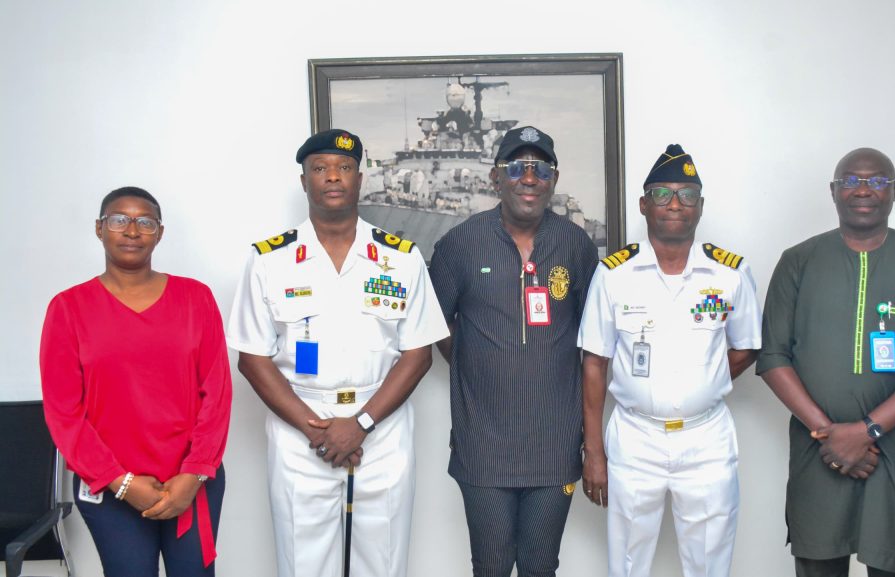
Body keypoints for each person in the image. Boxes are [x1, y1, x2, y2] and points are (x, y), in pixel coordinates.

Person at [226, 129, 447, 577]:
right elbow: (252, 358)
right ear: (303, 181)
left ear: (360, 179)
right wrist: (318, 430)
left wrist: (360, 424)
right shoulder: (270, 259)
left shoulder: (401, 258)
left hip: (380, 426)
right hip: (300, 424)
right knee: (302, 561)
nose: (332, 177)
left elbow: (418, 353)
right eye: (320, 169)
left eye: (344, 168)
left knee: (383, 560)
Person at [757, 148, 895, 577]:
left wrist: (866, 431)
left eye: (877, 181)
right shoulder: (798, 262)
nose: (864, 189)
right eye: (851, 181)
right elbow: (774, 356)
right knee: (819, 562)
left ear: (894, 191)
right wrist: (828, 434)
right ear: (834, 192)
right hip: (820, 452)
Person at [577, 145, 761, 577]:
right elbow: (594, 364)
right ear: (644, 205)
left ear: (700, 207)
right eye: (662, 194)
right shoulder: (613, 274)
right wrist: (594, 453)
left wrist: (704, 381)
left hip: (706, 438)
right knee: (627, 562)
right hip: (635, 437)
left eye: (687, 195)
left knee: (710, 561)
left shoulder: (730, 273)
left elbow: (748, 346)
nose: (675, 204)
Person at [429, 125, 598, 577]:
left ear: (553, 180)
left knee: (542, 566)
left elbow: (594, 340)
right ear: (495, 177)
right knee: (491, 565)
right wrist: (475, 360)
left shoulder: (576, 246)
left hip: (555, 442)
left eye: (540, 168)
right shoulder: (459, 245)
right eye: (517, 167)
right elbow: (435, 324)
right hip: (483, 443)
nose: (529, 177)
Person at [40, 186, 231, 577]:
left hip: (192, 480)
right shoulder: (68, 308)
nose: (131, 230)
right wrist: (120, 482)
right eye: (118, 219)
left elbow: (217, 393)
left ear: (159, 233)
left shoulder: (196, 298)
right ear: (99, 229)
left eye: (145, 222)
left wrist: (193, 473)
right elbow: (64, 413)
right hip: (109, 487)